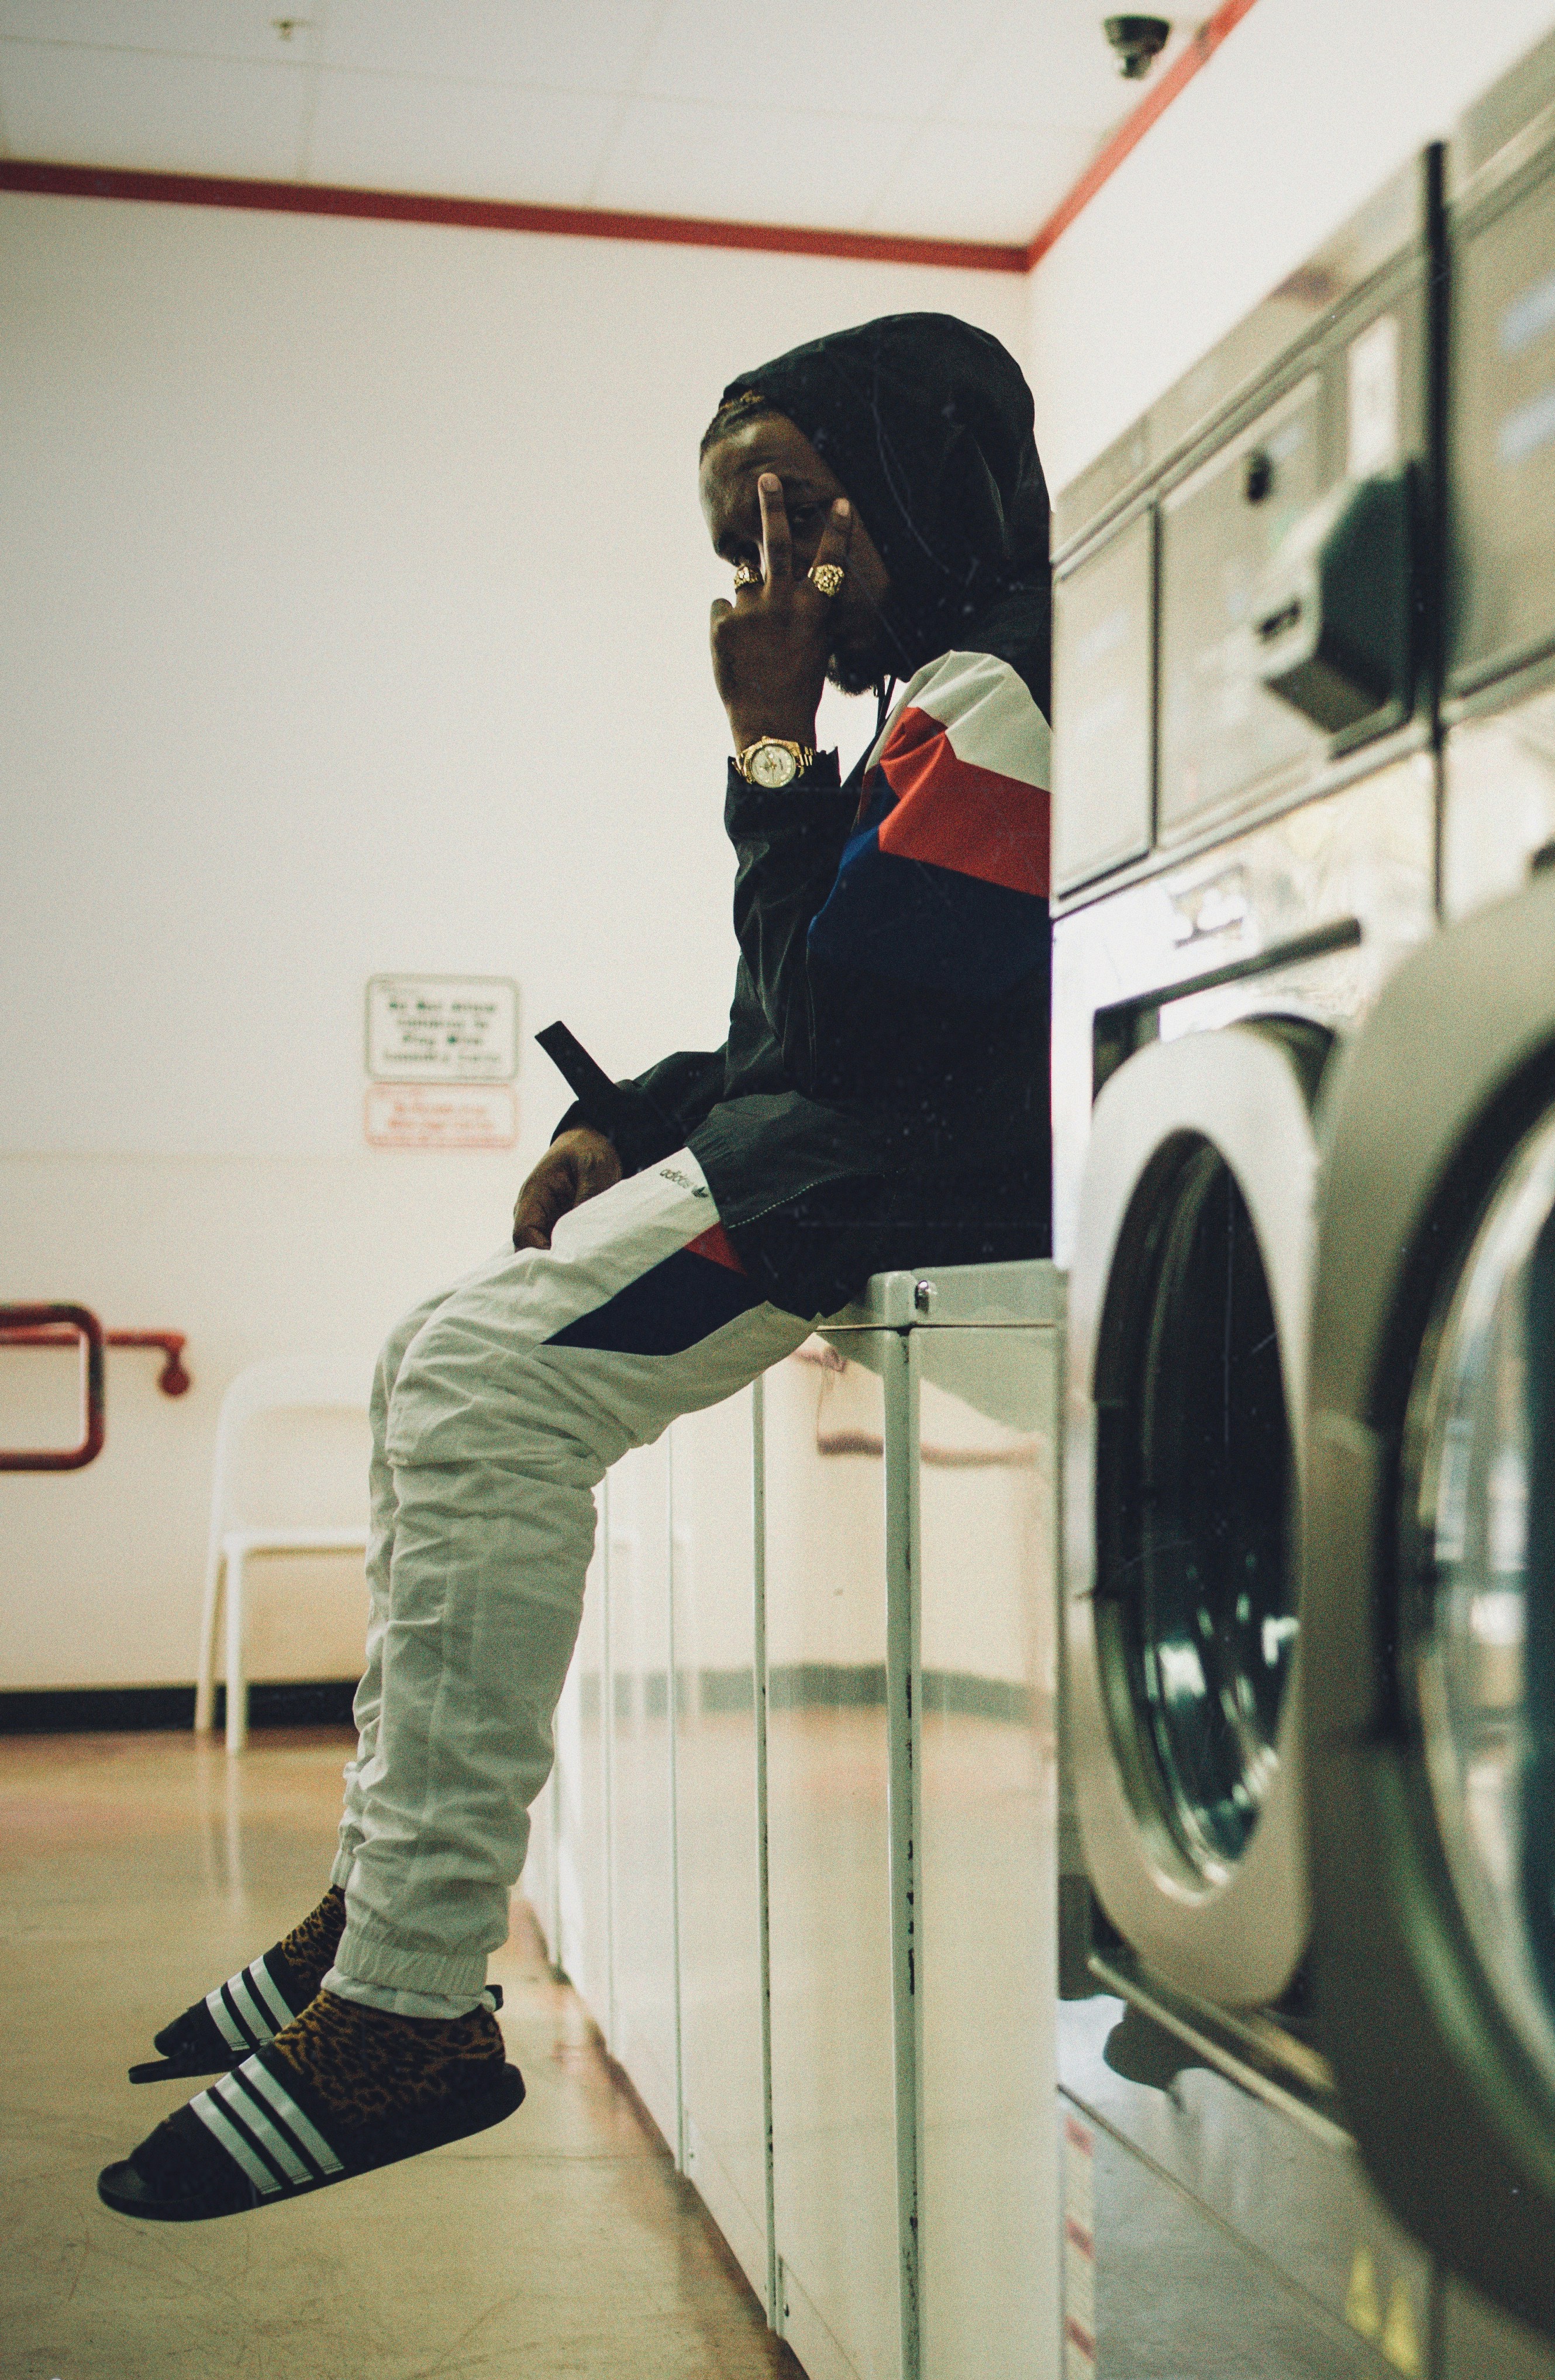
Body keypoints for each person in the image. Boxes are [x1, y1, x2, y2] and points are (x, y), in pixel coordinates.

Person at [102, 314, 1053, 2221]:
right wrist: (627, 1111)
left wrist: (770, 747)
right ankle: (385, 1921)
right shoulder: (927, 718)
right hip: (829, 1169)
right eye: (737, 542)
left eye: (797, 514)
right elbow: (799, 1024)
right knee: (425, 1357)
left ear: (925, 476)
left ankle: (406, 2013)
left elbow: (854, 1045)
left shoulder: (1004, 707)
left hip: (871, 1200)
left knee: (472, 1380)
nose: (767, 577)